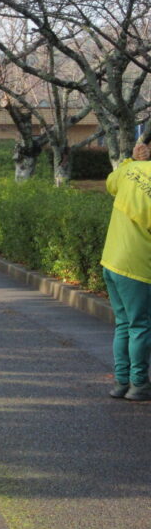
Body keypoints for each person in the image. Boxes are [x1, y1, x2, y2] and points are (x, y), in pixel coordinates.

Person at [101, 140, 151, 401]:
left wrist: (133, 160)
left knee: (124, 325)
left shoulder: (129, 171)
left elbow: (111, 183)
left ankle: (122, 382)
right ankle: (139, 384)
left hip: (111, 261)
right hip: (138, 267)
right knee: (141, 325)